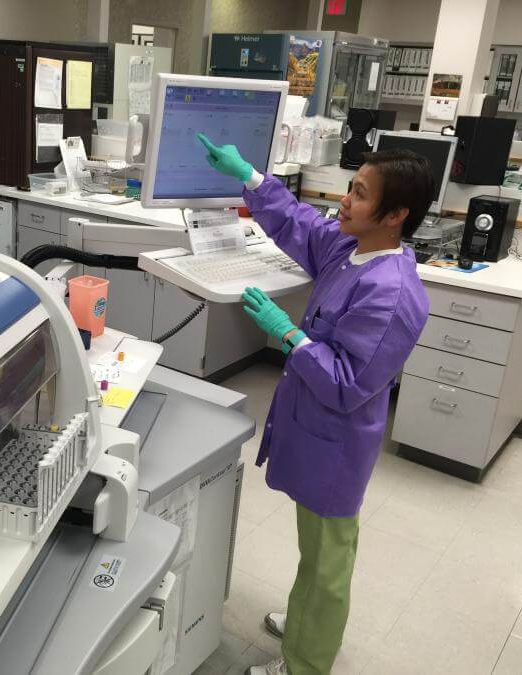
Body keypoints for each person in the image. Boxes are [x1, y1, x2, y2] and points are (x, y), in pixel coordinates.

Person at [198, 133, 432, 675]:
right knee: (314, 546)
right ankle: (305, 623)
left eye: (360, 194)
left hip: (339, 446)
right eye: (350, 188)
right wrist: (249, 175)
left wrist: (288, 335)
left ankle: (304, 661)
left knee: (328, 561)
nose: (343, 202)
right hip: (313, 429)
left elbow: (349, 384)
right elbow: (301, 224)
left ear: (394, 214)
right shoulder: (352, 247)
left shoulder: (391, 293)